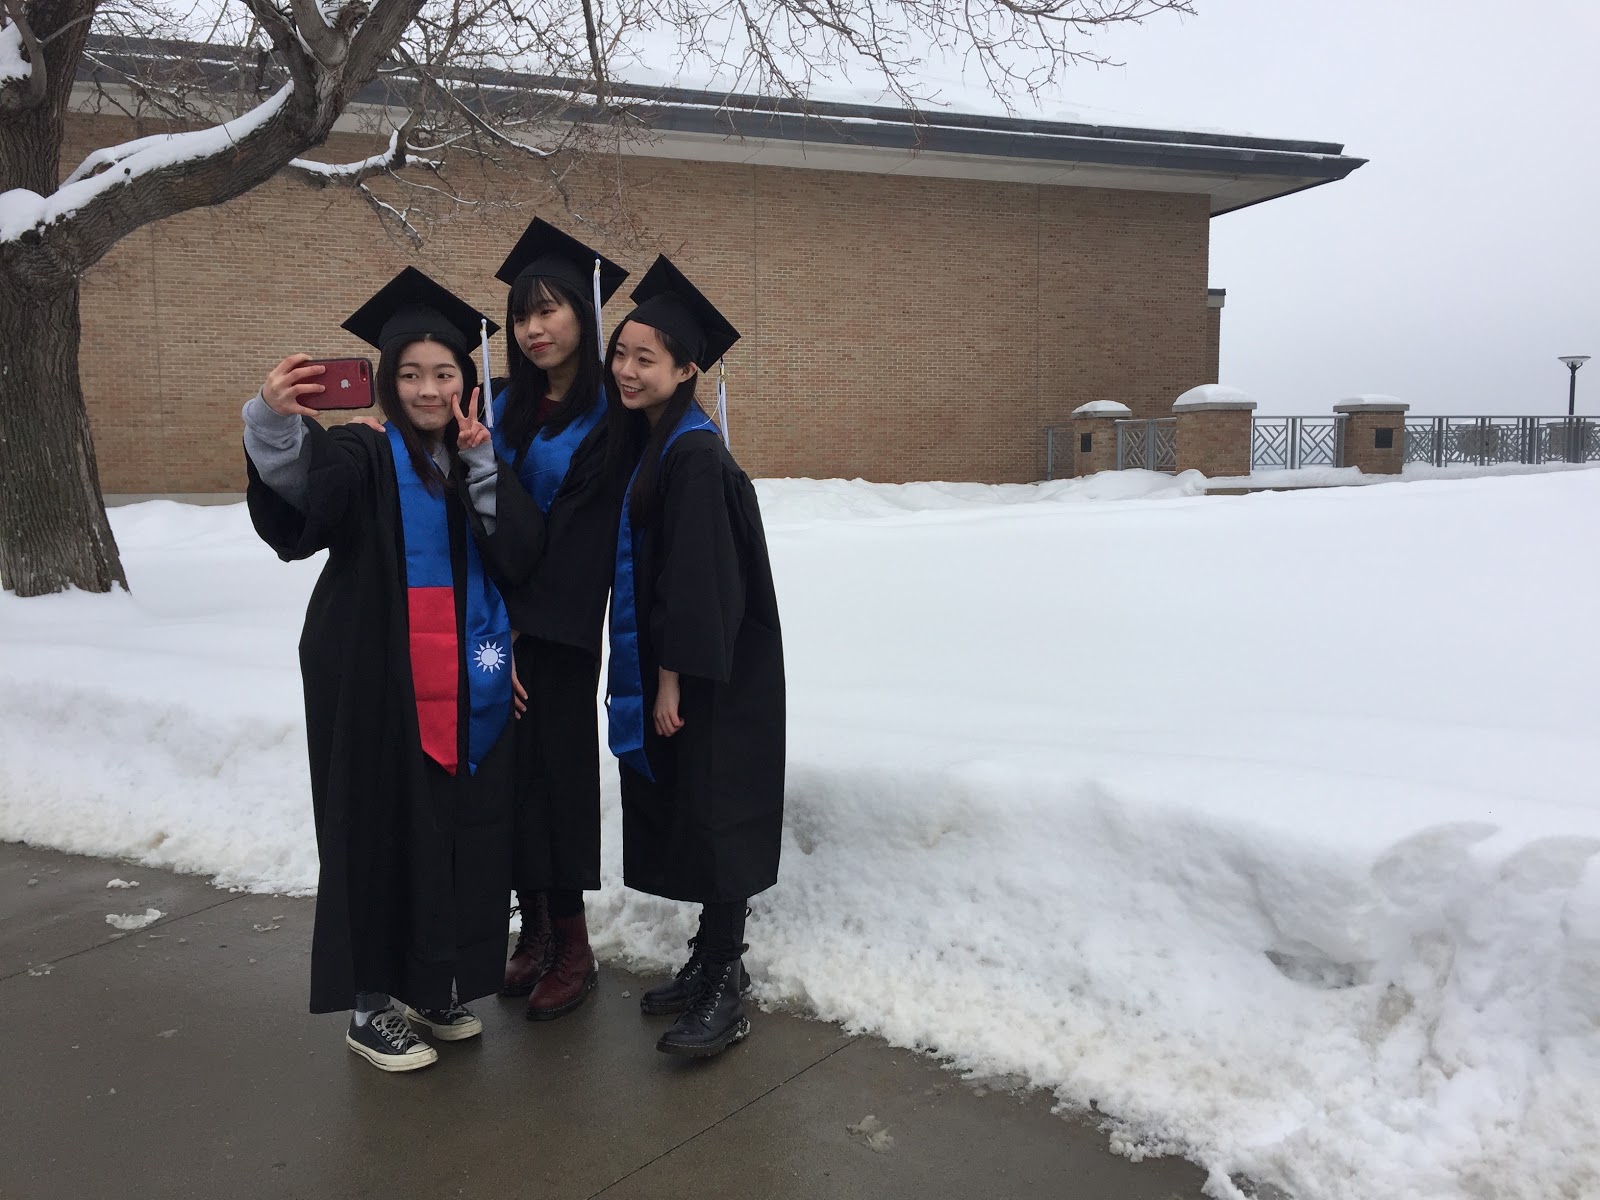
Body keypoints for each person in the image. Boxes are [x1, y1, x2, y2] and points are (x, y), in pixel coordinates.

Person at [243, 267, 545, 1072]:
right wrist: (271, 422)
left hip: (464, 682)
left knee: (453, 832)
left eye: (443, 373)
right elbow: (304, 506)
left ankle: (433, 979)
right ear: (384, 381)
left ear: (466, 381)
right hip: (374, 679)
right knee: (378, 831)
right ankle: (370, 1004)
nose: (426, 388)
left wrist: (483, 465)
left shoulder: (474, 454)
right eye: (409, 374)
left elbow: (518, 553)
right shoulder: (362, 451)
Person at [603, 256, 786, 1057]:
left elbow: (699, 574)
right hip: (696, 661)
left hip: (713, 671)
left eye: (648, 358)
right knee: (701, 812)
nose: (628, 370)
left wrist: (670, 677)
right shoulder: (661, 441)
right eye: (622, 353)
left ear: (685, 369)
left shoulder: (694, 454)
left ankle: (725, 985)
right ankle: (714, 960)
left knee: (719, 819)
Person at [489, 220, 633, 1020]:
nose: (534, 329)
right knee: (507, 779)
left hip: (558, 627)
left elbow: (580, 540)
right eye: (520, 315)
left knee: (557, 780)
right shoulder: (504, 407)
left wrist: (522, 629)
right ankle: (534, 927)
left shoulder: (606, 418)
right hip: (493, 627)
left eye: (549, 310)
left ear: (584, 313)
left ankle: (574, 946)